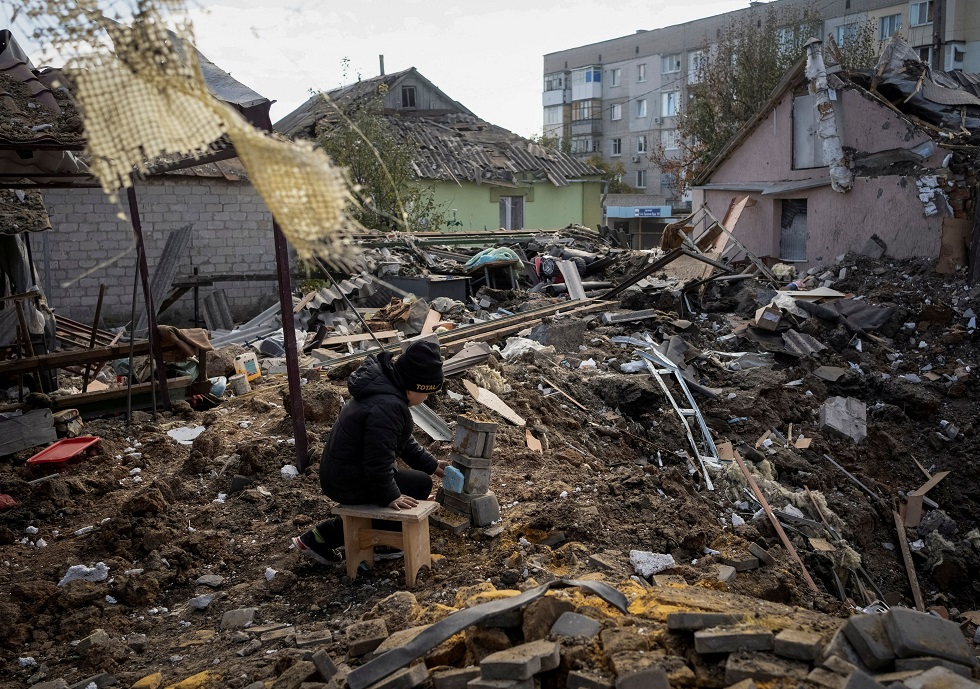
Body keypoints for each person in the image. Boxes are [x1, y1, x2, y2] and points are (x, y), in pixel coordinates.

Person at [292, 339, 447, 565]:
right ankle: (369, 541)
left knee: (419, 481)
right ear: (417, 386)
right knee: (418, 485)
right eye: (428, 393)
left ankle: (321, 536)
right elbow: (377, 461)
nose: (426, 399)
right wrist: (390, 495)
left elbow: (401, 442)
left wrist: (433, 465)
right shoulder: (388, 406)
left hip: (344, 471)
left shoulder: (386, 390)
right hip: (348, 480)